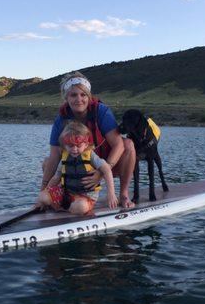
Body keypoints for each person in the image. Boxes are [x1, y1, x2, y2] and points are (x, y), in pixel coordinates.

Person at [41, 71, 136, 208]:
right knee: (47, 163)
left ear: (89, 97)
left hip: (104, 162)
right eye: (73, 95)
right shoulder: (61, 119)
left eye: (83, 94)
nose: (79, 99)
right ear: (66, 97)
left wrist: (101, 172)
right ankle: (64, 196)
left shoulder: (101, 111)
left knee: (128, 144)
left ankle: (123, 194)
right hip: (76, 164)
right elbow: (55, 155)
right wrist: (42, 192)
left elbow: (118, 145)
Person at [36, 121, 118, 215]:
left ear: (86, 144)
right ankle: (68, 207)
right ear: (64, 145)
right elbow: (56, 178)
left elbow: (107, 169)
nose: (74, 149)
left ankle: (67, 208)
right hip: (67, 194)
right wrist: (44, 195)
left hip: (85, 196)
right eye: (70, 146)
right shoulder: (65, 157)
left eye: (78, 145)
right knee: (42, 196)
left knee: (81, 206)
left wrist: (111, 194)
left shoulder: (91, 155)